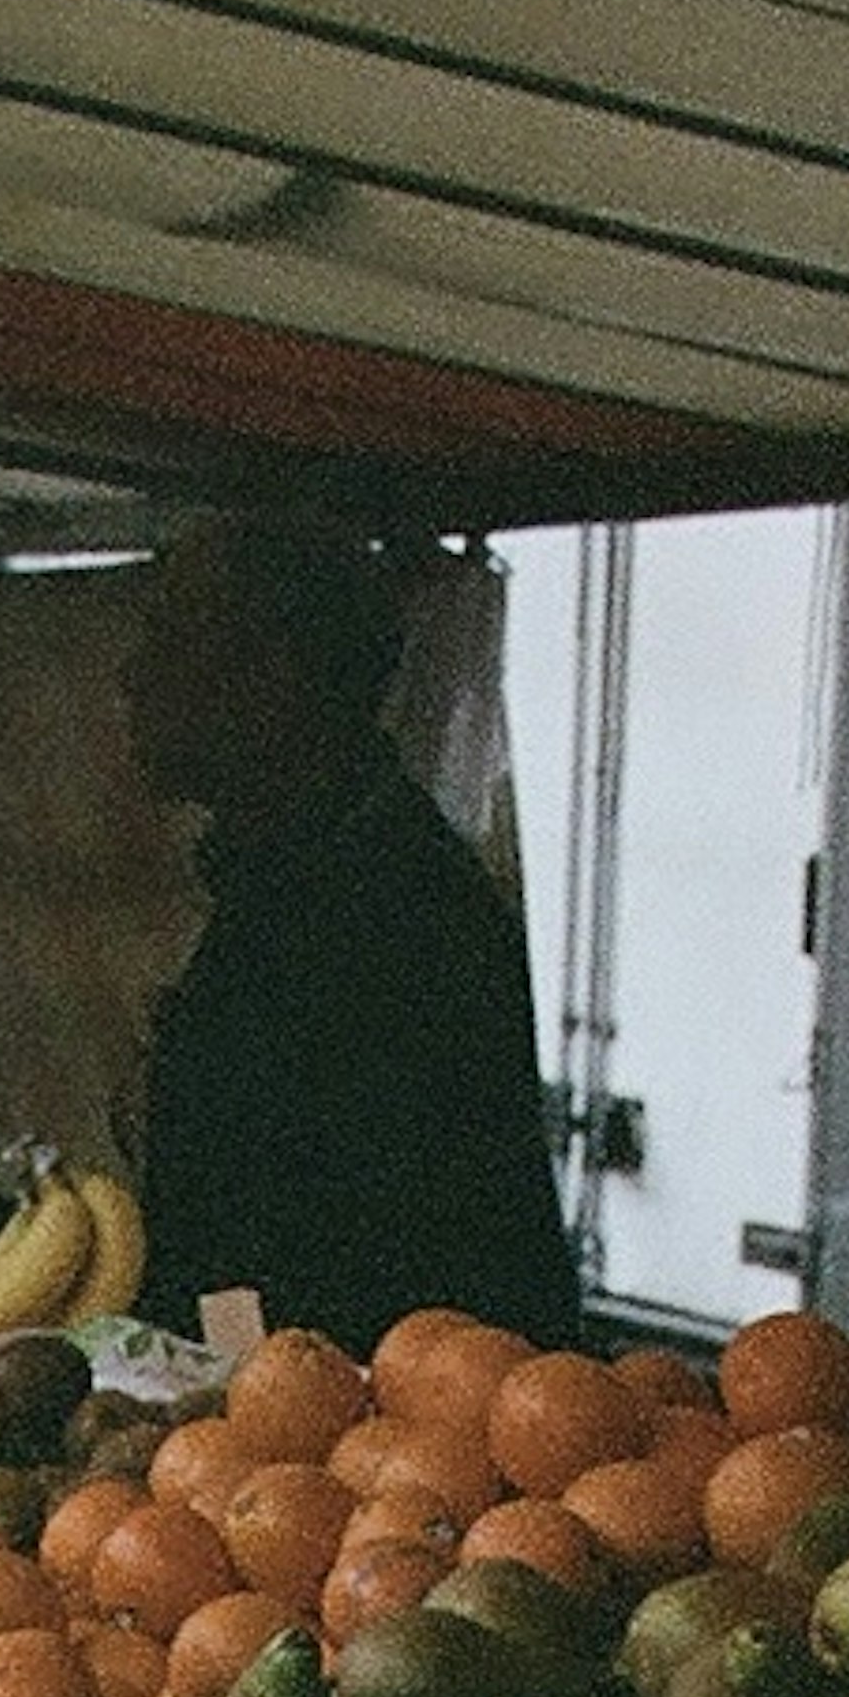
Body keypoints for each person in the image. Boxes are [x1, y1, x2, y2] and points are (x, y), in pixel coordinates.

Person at [123, 518, 586, 1362]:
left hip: (380, 1434)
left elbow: (350, 1255)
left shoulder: (394, 912)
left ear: (272, 678)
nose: (132, 676)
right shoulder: (289, 875)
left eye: (168, 638)